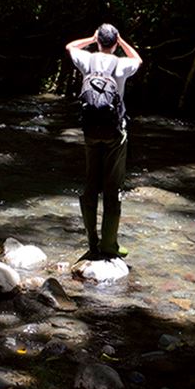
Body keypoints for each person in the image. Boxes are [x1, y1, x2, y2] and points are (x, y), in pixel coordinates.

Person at [65, 22, 143, 259]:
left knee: (91, 184)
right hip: (115, 133)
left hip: (90, 132)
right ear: (115, 41)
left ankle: (92, 241)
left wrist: (90, 38)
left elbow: (69, 46)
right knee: (112, 188)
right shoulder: (121, 64)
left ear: (98, 39)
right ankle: (110, 244)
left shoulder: (86, 60)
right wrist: (122, 42)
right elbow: (138, 59)